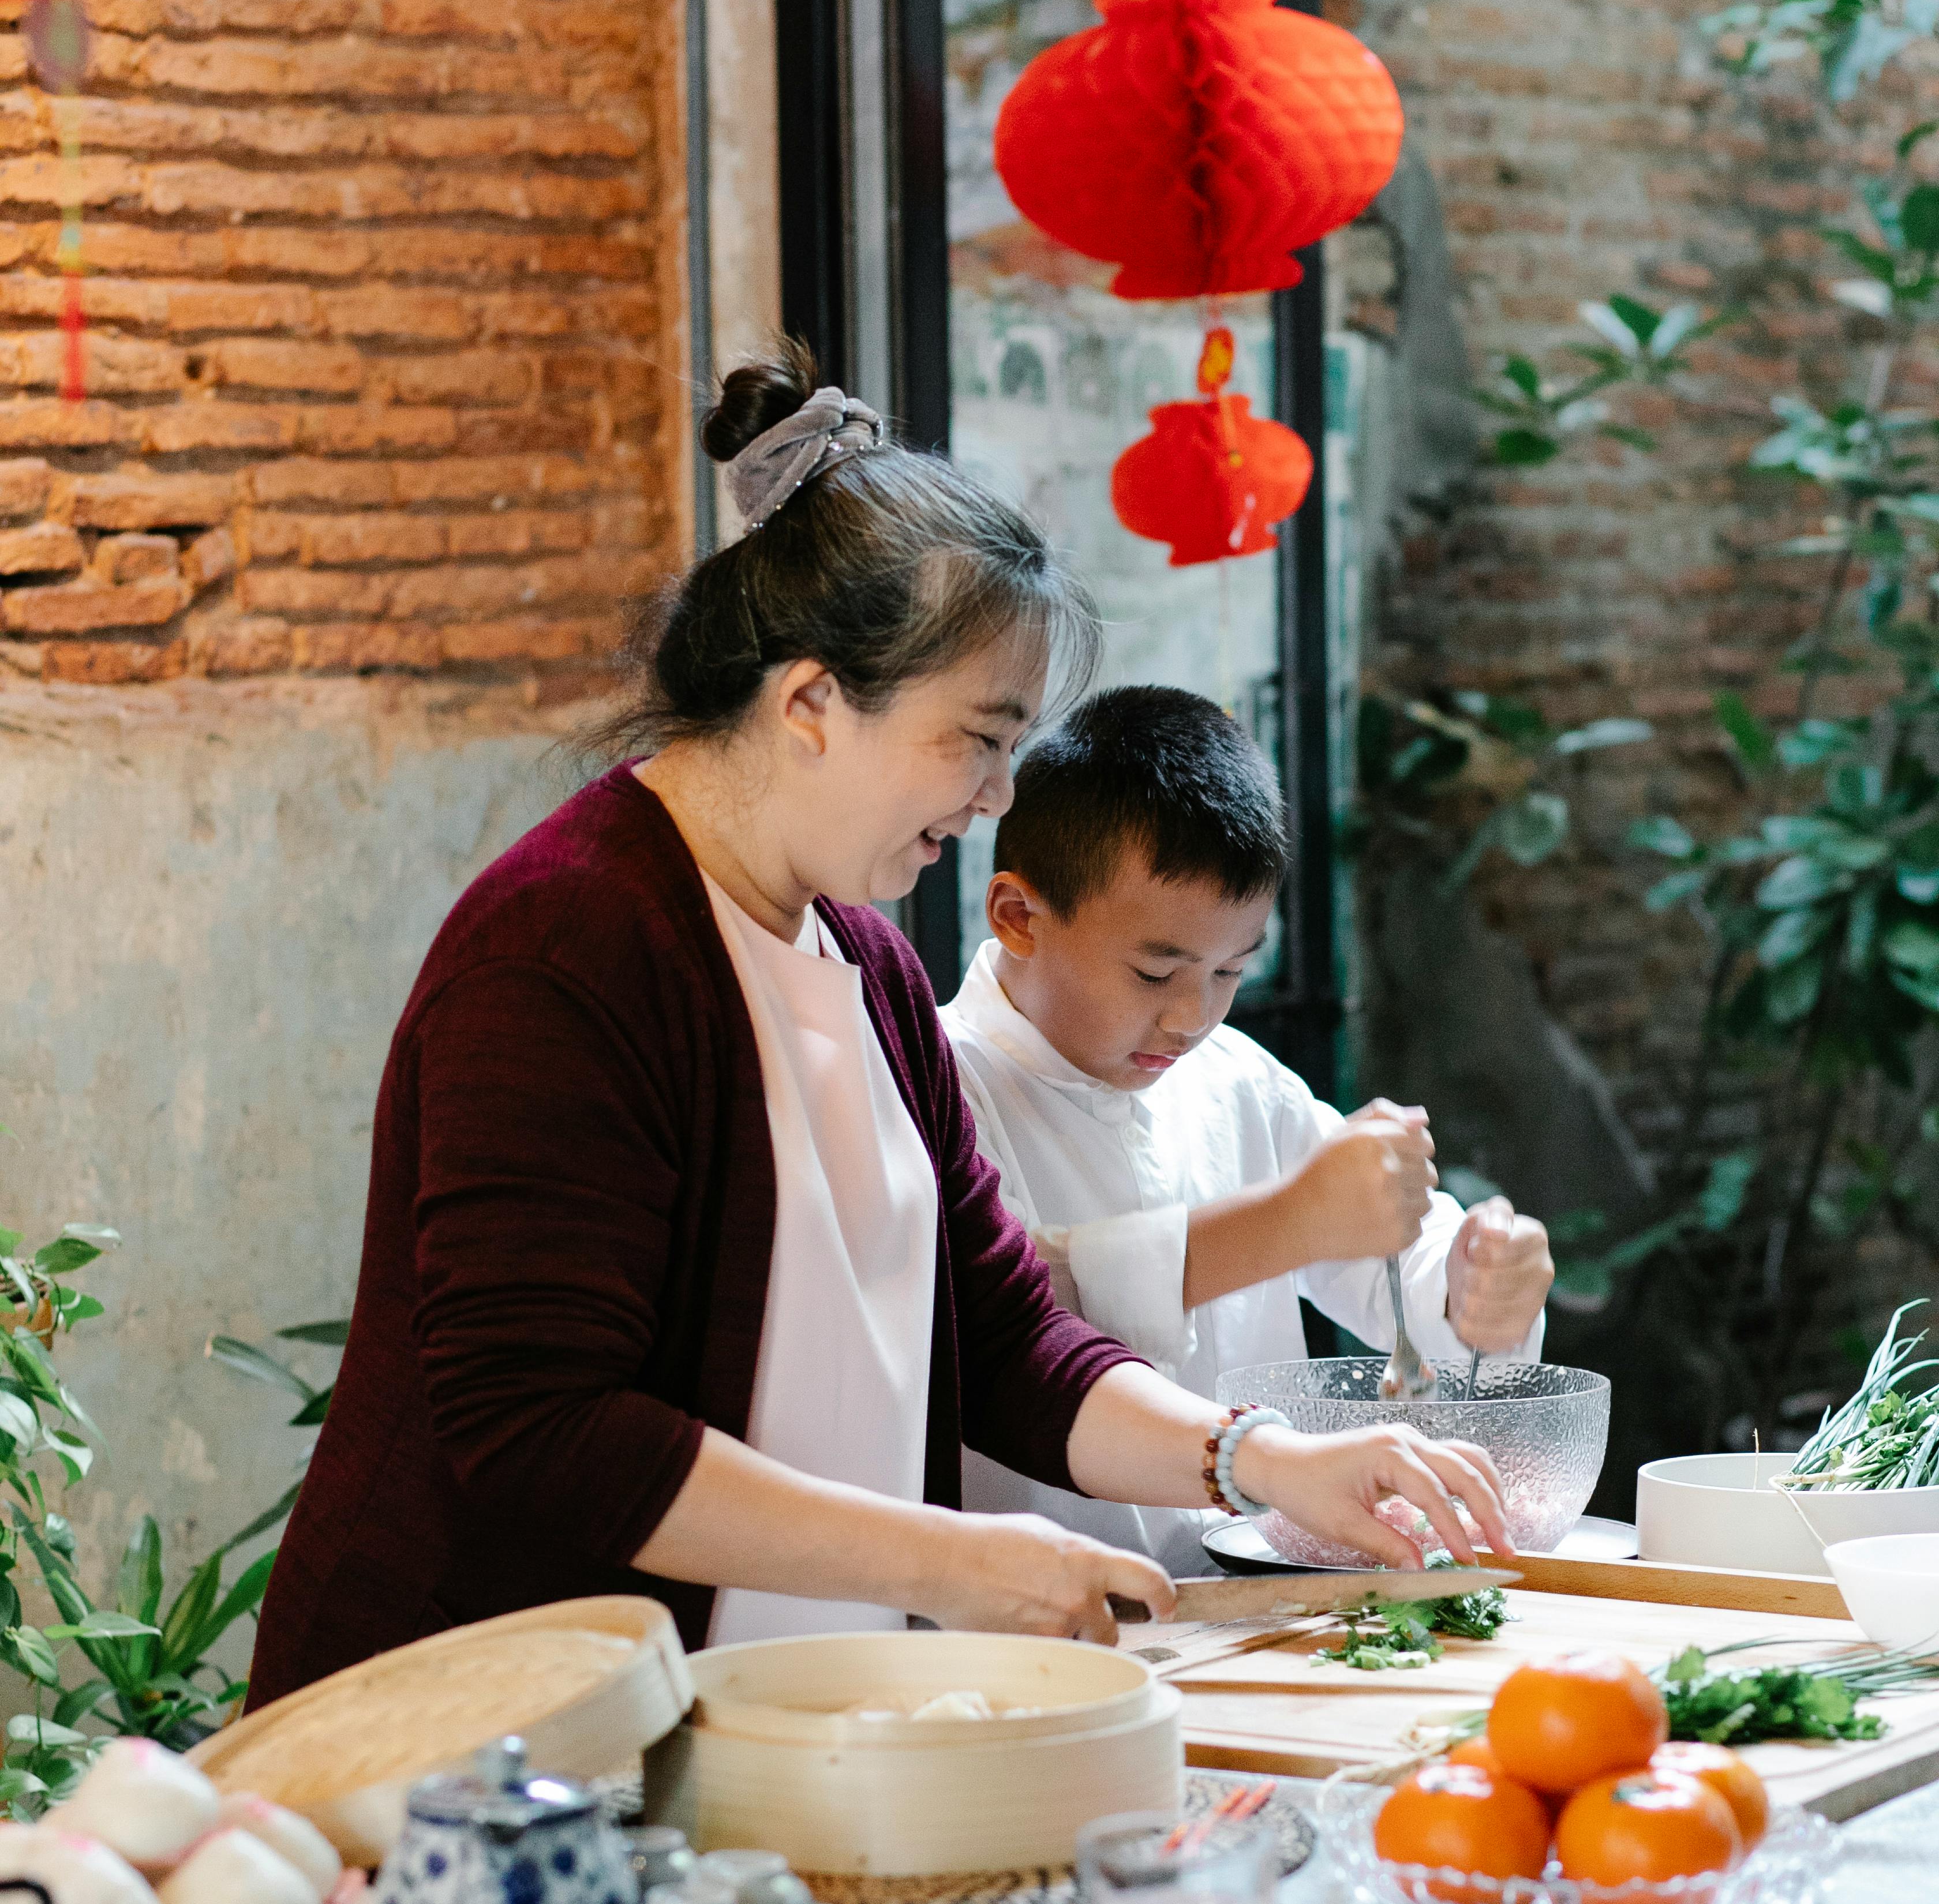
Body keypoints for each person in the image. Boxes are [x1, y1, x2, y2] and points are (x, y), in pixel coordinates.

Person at [246, 356, 1512, 1710]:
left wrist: (1259, 1458)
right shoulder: (568, 948)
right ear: (810, 706)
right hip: (483, 1740)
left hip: (768, 1715)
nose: (997, 796)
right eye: (977, 739)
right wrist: (951, 1562)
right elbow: (543, 1429)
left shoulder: (867, 964)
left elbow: (1003, 1329)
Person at [941, 687, 1555, 1574]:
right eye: (1156, 972)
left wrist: (1476, 1276)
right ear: (1018, 916)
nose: (1193, 1016)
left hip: (1257, 1612)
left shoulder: (1237, 1080)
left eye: (1232, 968)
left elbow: (1396, 1273)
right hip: (1040, 1637)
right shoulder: (948, 1084)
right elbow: (1012, 1319)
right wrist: (1291, 1220)